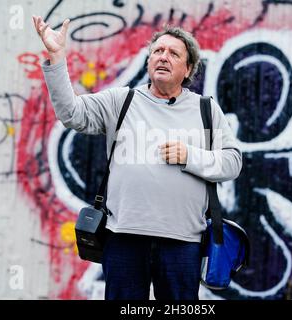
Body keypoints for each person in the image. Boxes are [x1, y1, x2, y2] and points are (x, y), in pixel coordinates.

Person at [32, 15, 243, 300]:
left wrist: (190, 156)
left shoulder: (206, 110)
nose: (163, 57)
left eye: (173, 53)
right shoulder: (122, 100)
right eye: (157, 51)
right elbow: (71, 114)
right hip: (123, 238)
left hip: (183, 242)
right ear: (148, 61)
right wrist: (57, 56)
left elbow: (232, 162)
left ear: (188, 68)